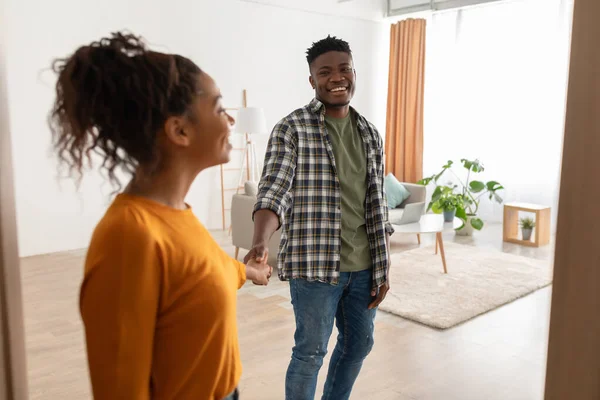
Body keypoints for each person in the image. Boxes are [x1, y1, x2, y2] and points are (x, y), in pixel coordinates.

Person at [48, 32, 272, 400]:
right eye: (218, 108)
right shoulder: (128, 235)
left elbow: (204, 268)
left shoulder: (177, 215)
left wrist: (249, 270)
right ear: (179, 130)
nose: (230, 119)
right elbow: (120, 389)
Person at [245, 36, 394, 400]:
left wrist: (384, 266)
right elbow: (274, 191)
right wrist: (260, 242)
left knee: (359, 345)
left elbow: (378, 205)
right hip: (315, 268)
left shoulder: (370, 134)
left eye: (344, 69)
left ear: (354, 72)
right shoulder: (291, 129)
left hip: (364, 268)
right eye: (325, 72)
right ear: (312, 81)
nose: (337, 77)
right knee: (309, 354)